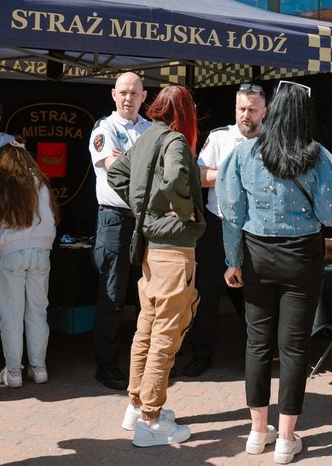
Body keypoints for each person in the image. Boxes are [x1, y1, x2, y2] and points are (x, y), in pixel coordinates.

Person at [217, 82, 332, 464]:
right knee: (294, 348)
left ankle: (257, 433)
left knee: (257, 344)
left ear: (271, 112)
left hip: (257, 255)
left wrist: (232, 260)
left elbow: (231, 215)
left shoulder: (244, 154)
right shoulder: (318, 156)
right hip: (302, 256)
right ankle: (286, 439)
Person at [107, 86, 206, 447]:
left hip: (152, 249)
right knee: (166, 333)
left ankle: (137, 406)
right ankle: (149, 418)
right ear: (184, 111)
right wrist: (182, 210)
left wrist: (144, 210)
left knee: (146, 329)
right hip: (174, 250)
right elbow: (177, 179)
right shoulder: (176, 140)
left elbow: (116, 174)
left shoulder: (148, 137)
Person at [182, 83, 266, 377]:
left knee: (253, 298)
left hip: (255, 231)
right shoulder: (219, 137)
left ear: (263, 111)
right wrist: (231, 174)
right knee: (206, 295)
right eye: (242, 109)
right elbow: (199, 175)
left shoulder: (271, 142)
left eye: (252, 110)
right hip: (217, 226)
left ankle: (252, 360)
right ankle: (201, 355)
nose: (246, 115)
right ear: (235, 109)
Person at [0, 142, 59, 388]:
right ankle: (39, 367)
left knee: (11, 316)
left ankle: (13, 372)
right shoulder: (41, 182)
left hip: (10, 254)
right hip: (41, 252)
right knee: (37, 312)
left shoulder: (1, 185)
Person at [89, 72, 150, 390]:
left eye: (134, 93)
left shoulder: (150, 129)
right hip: (114, 219)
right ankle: (107, 366)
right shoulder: (104, 129)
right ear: (113, 95)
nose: (128, 98)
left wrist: (129, 159)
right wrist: (145, 163)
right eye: (123, 92)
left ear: (144, 96)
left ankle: (147, 364)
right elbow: (115, 171)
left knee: (148, 296)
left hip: (146, 221)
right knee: (112, 296)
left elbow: (163, 169)